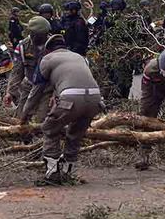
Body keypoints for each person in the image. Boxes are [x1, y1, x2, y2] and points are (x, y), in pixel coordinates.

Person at [20, 34, 104, 185]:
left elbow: (36, 91)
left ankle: (52, 174)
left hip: (71, 98)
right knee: (75, 134)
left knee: (50, 128)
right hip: (95, 99)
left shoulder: (47, 59)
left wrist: (24, 115)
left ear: (48, 50)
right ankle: (67, 172)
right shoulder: (79, 57)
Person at [4, 16, 52, 121]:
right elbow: (17, 72)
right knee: (21, 117)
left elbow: (60, 72)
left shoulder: (53, 45)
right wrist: (10, 92)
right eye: (34, 34)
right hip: (29, 86)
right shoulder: (22, 47)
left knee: (41, 119)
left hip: (47, 89)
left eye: (41, 35)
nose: (37, 37)